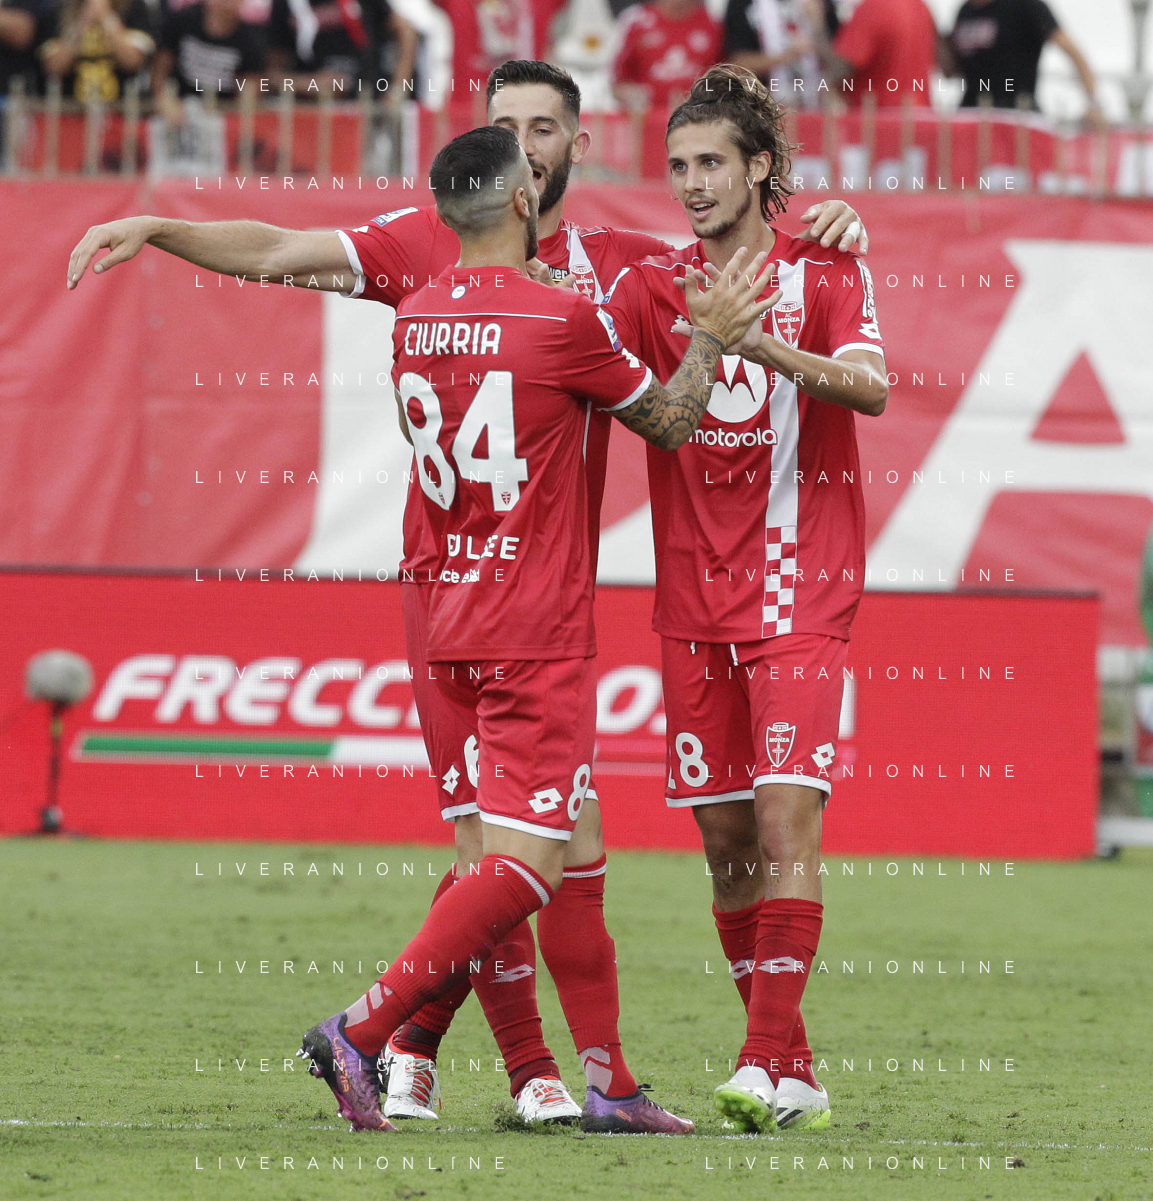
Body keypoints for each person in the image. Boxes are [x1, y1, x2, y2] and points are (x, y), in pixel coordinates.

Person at [65, 57, 866, 1130]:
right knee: (502, 852)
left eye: (545, 125)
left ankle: (571, 1075)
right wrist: (166, 227)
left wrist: (831, 227)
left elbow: (739, 252)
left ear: (575, 147)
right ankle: (464, 1053)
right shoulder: (445, 252)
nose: (526, 142)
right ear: (498, 166)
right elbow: (278, 251)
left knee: (564, 843)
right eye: (507, 125)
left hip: (507, 598)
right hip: (486, 598)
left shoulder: (605, 266)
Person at [299, 121, 775, 1132]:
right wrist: (708, 338)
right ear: (524, 200)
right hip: (533, 624)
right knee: (525, 864)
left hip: (449, 613)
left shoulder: (414, 316)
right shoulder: (561, 318)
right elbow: (671, 422)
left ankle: (603, 1085)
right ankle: (365, 1028)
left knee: (548, 844)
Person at [601, 62, 887, 1132]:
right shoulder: (649, 285)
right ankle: (794, 1069)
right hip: (690, 602)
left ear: (759, 167)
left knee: (782, 818)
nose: (692, 182)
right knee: (725, 847)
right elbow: (590, 353)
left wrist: (754, 338)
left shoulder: (827, 268)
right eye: (678, 165)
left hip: (802, 587)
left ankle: (760, 1062)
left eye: (712, 162)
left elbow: (871, 386)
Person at [944, 0, 1101, 123]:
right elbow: (951, 72)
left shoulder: (1026, 5)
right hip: (970, 116)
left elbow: (1073, 52)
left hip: (1016, 118)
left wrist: (1093, 104)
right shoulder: (965, 11)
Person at [266, 0, 416, 98]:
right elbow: (273, 74)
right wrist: (309, 83)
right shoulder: (287, 4)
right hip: (317, 112)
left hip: (368, 103)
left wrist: (397, 91)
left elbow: (406, 33)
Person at [151, 0, 266, 124]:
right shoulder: (182, 22)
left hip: (222, 114)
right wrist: (163, 98)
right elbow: (159, 72)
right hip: (177, 106)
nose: (225, 5)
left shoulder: (252, 41)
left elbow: (250, 93)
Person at [815, 0, 937, 109]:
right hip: (918, 116)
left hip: (878, 118)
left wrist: (817, 26)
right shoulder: (920, 6)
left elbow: (841, 67)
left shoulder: (873, 8)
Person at [610, 0, 722, 113]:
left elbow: (726, 79)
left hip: (700, 117)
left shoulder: (714, 23)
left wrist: (704, 96)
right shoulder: (635, 22)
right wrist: (634, 95)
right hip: (650, 118)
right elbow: (617, 83)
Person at [723, 0, 833, 108]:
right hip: (763, 105)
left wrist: (819, 28)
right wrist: (786, 57)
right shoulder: (742, 4)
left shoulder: (818, 4)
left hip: (816, 105)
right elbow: (738, 65)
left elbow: (838, 67)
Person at [38, 0, 154, 103]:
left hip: (121, 109)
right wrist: (82, 24)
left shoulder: (134, 6)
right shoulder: (60, 7)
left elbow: (133, 62)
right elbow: (53, 67)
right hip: (70, 110)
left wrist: (107, 18)